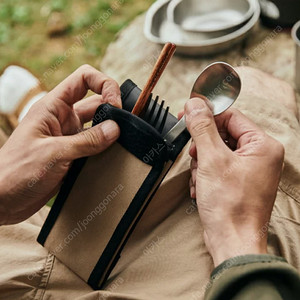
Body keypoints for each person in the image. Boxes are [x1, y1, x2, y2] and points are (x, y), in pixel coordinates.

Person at [0, 64, 300, 299]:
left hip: (26, 258)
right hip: (230, 269)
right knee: (259, 87)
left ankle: (41, 127)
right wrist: (236, 235)